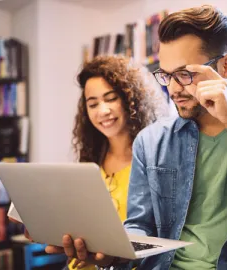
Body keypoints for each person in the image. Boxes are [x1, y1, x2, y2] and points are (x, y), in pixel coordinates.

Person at [45, 4, 227, 270]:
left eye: (185, 74)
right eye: (166, 75)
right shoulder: (151, 142)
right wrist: (111, 255)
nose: (173, 89)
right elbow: (140, 226)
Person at [9, 55, 169, 269]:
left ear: (132, 100)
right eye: (93, 104)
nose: (102, 111)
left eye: (111, 98)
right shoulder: (91, 161)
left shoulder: (156, 160)